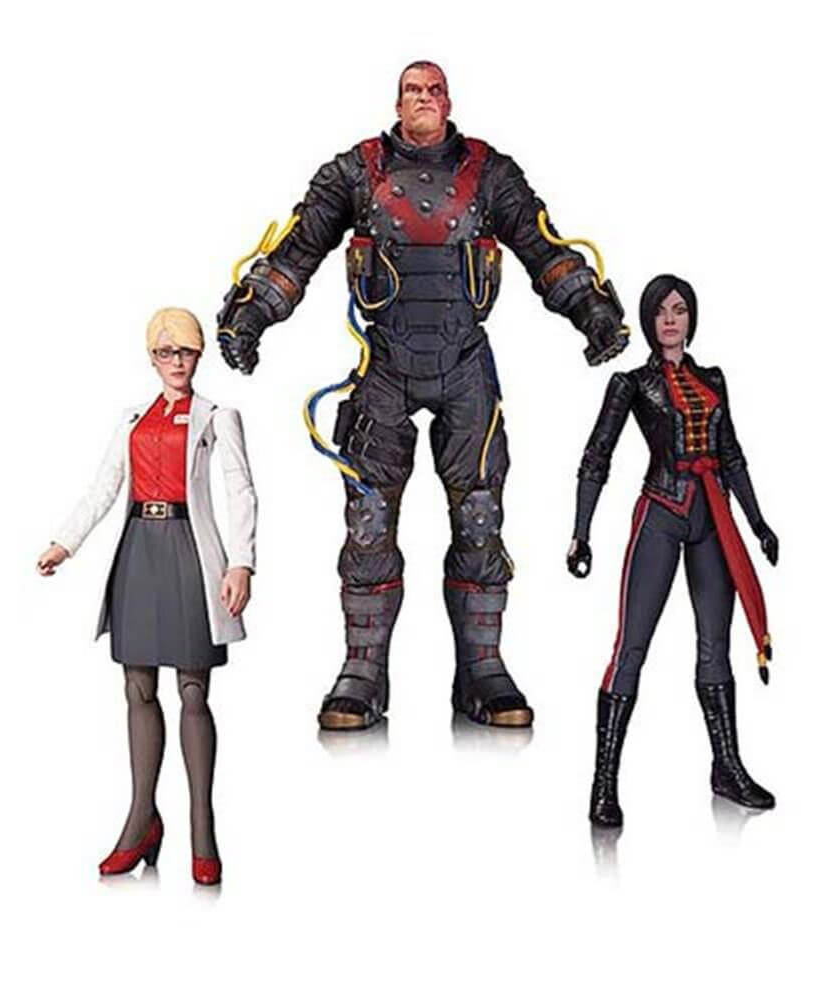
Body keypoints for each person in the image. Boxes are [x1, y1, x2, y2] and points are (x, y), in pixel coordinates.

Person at [217, 60, 628, 731]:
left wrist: (592, 312)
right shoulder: (355, 172)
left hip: (465, 364)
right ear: (397, 102)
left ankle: (483, 669)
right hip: (384, 365)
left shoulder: (491, 173)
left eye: (435, 90)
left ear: (450, 101)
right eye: (414, 90)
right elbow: (297, 251)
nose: (425, 99)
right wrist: (251, 316)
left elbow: (542, 248)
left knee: (480, 517)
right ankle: (362, 672)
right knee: (369, 520)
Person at [37, 307, 257, 884]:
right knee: (137, 687)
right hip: (138, 548)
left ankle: (203, 830)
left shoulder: (218, 416)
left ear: (198, 355)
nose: (176, 362)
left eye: (185, 352)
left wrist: (241, 562)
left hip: (188, 550)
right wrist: (65, 543)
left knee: (193, 689)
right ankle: (141, 821)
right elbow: (105, 486)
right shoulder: (133, 420)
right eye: (166, 353)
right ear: (152, 358)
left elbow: (240, 488)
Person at [567, 274, 778, 827]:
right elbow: (597, 456)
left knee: (715, 648)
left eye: (679, 310)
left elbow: (731, 454)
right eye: (661, 311)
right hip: (661, 512)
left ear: (691, 318)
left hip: (712, 517)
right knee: (631, 647)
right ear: (647, 319)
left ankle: (727, 768)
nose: (670, 319)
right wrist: (581, 531)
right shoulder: (631, 384)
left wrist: (757, 522)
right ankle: (603, 783)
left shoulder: (713, 380)